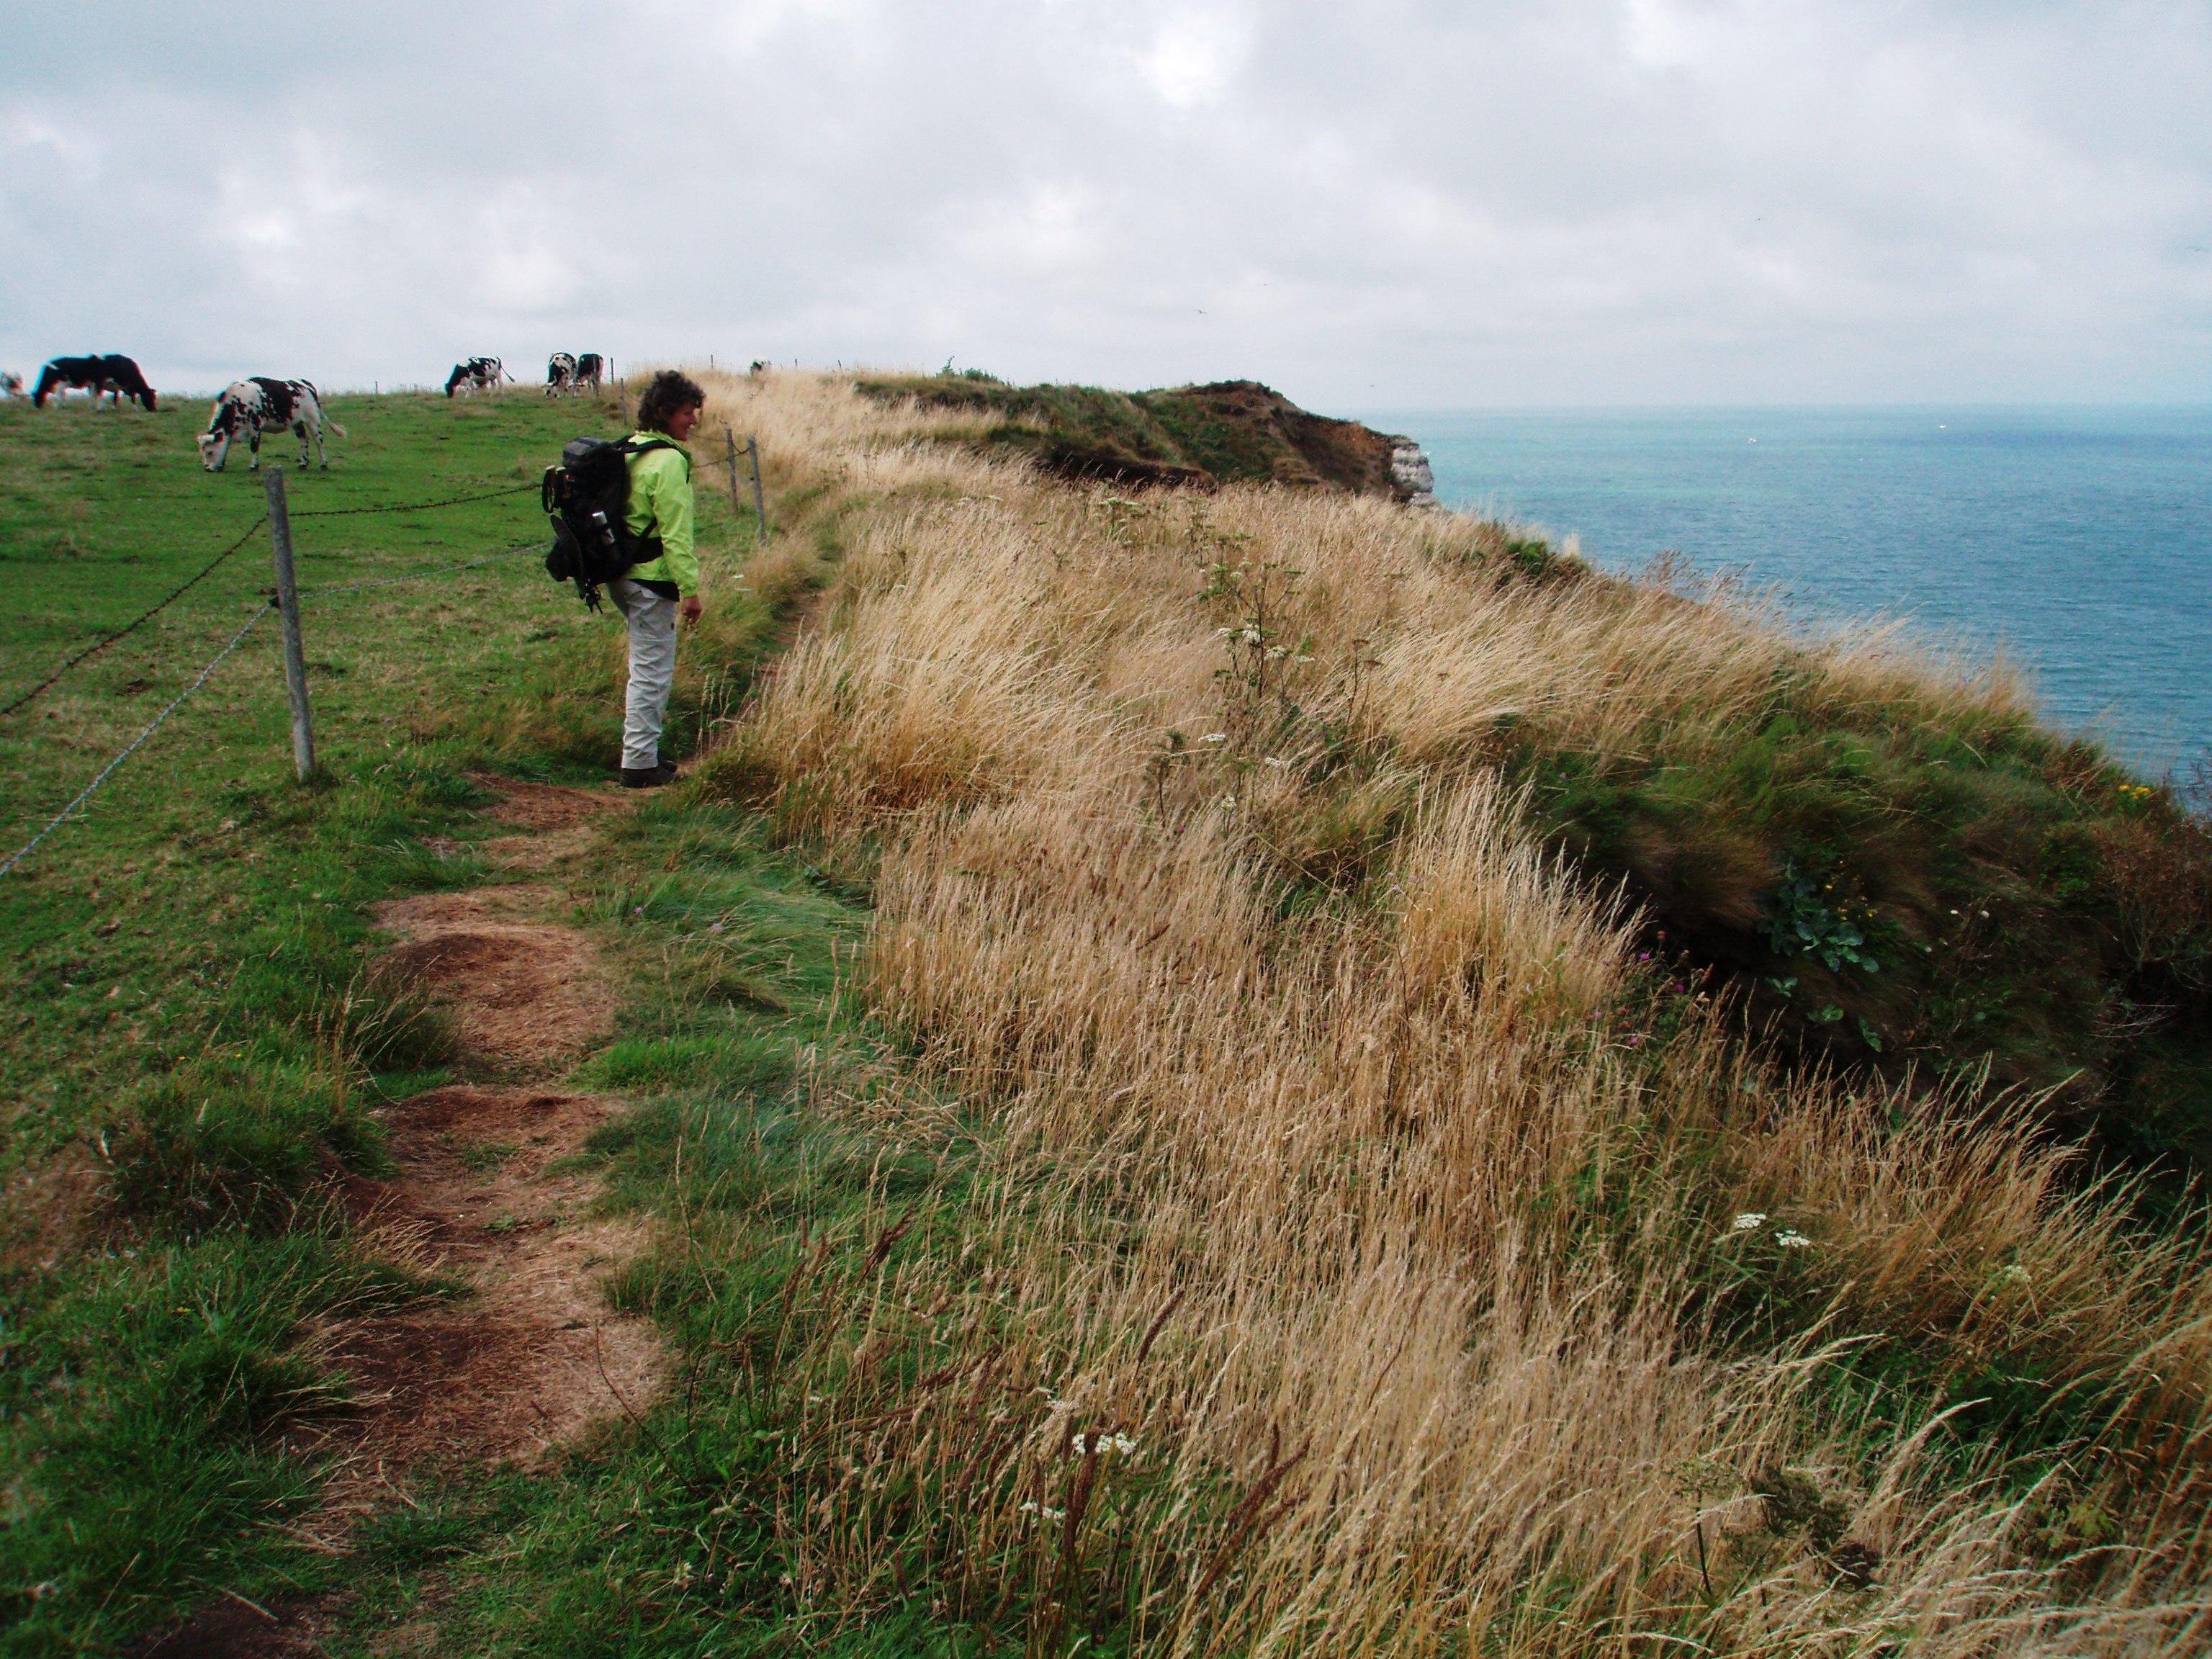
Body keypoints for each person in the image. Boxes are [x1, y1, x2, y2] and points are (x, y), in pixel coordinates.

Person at [608, 370, 706, 788]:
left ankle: (645, 753)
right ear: (665, 413)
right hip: (651, 581)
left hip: (620, 574)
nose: (694, 421)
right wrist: (691, 591)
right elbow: (675, 534)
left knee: (645, 667)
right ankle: (639, 765)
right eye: (687, 413)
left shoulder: (630, 449)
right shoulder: (667, 462)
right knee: (652, 671)